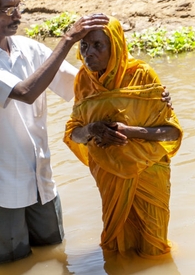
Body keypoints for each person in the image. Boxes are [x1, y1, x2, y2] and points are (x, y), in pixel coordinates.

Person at [0, 0, 111, 264]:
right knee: (13, 266)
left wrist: (142, 91)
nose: (17, 15)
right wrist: (67, 39)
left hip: (41, 178)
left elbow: (83, 87)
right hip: (2, 186)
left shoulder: (29, 49)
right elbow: (26, 91)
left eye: (19, 5)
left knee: (56, 256)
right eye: (7, 10)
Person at [64, 18, 183, 258]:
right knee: (118, 246)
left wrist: (128, 131)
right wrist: (93, 129)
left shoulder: (142, 75)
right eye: (84, 46)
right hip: (110, 174)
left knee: (155, 248)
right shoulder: (84, 80)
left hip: (149, 171)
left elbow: (171, 132)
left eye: (98, 45)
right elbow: (73, 133)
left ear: (116, 46)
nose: (89, 53)